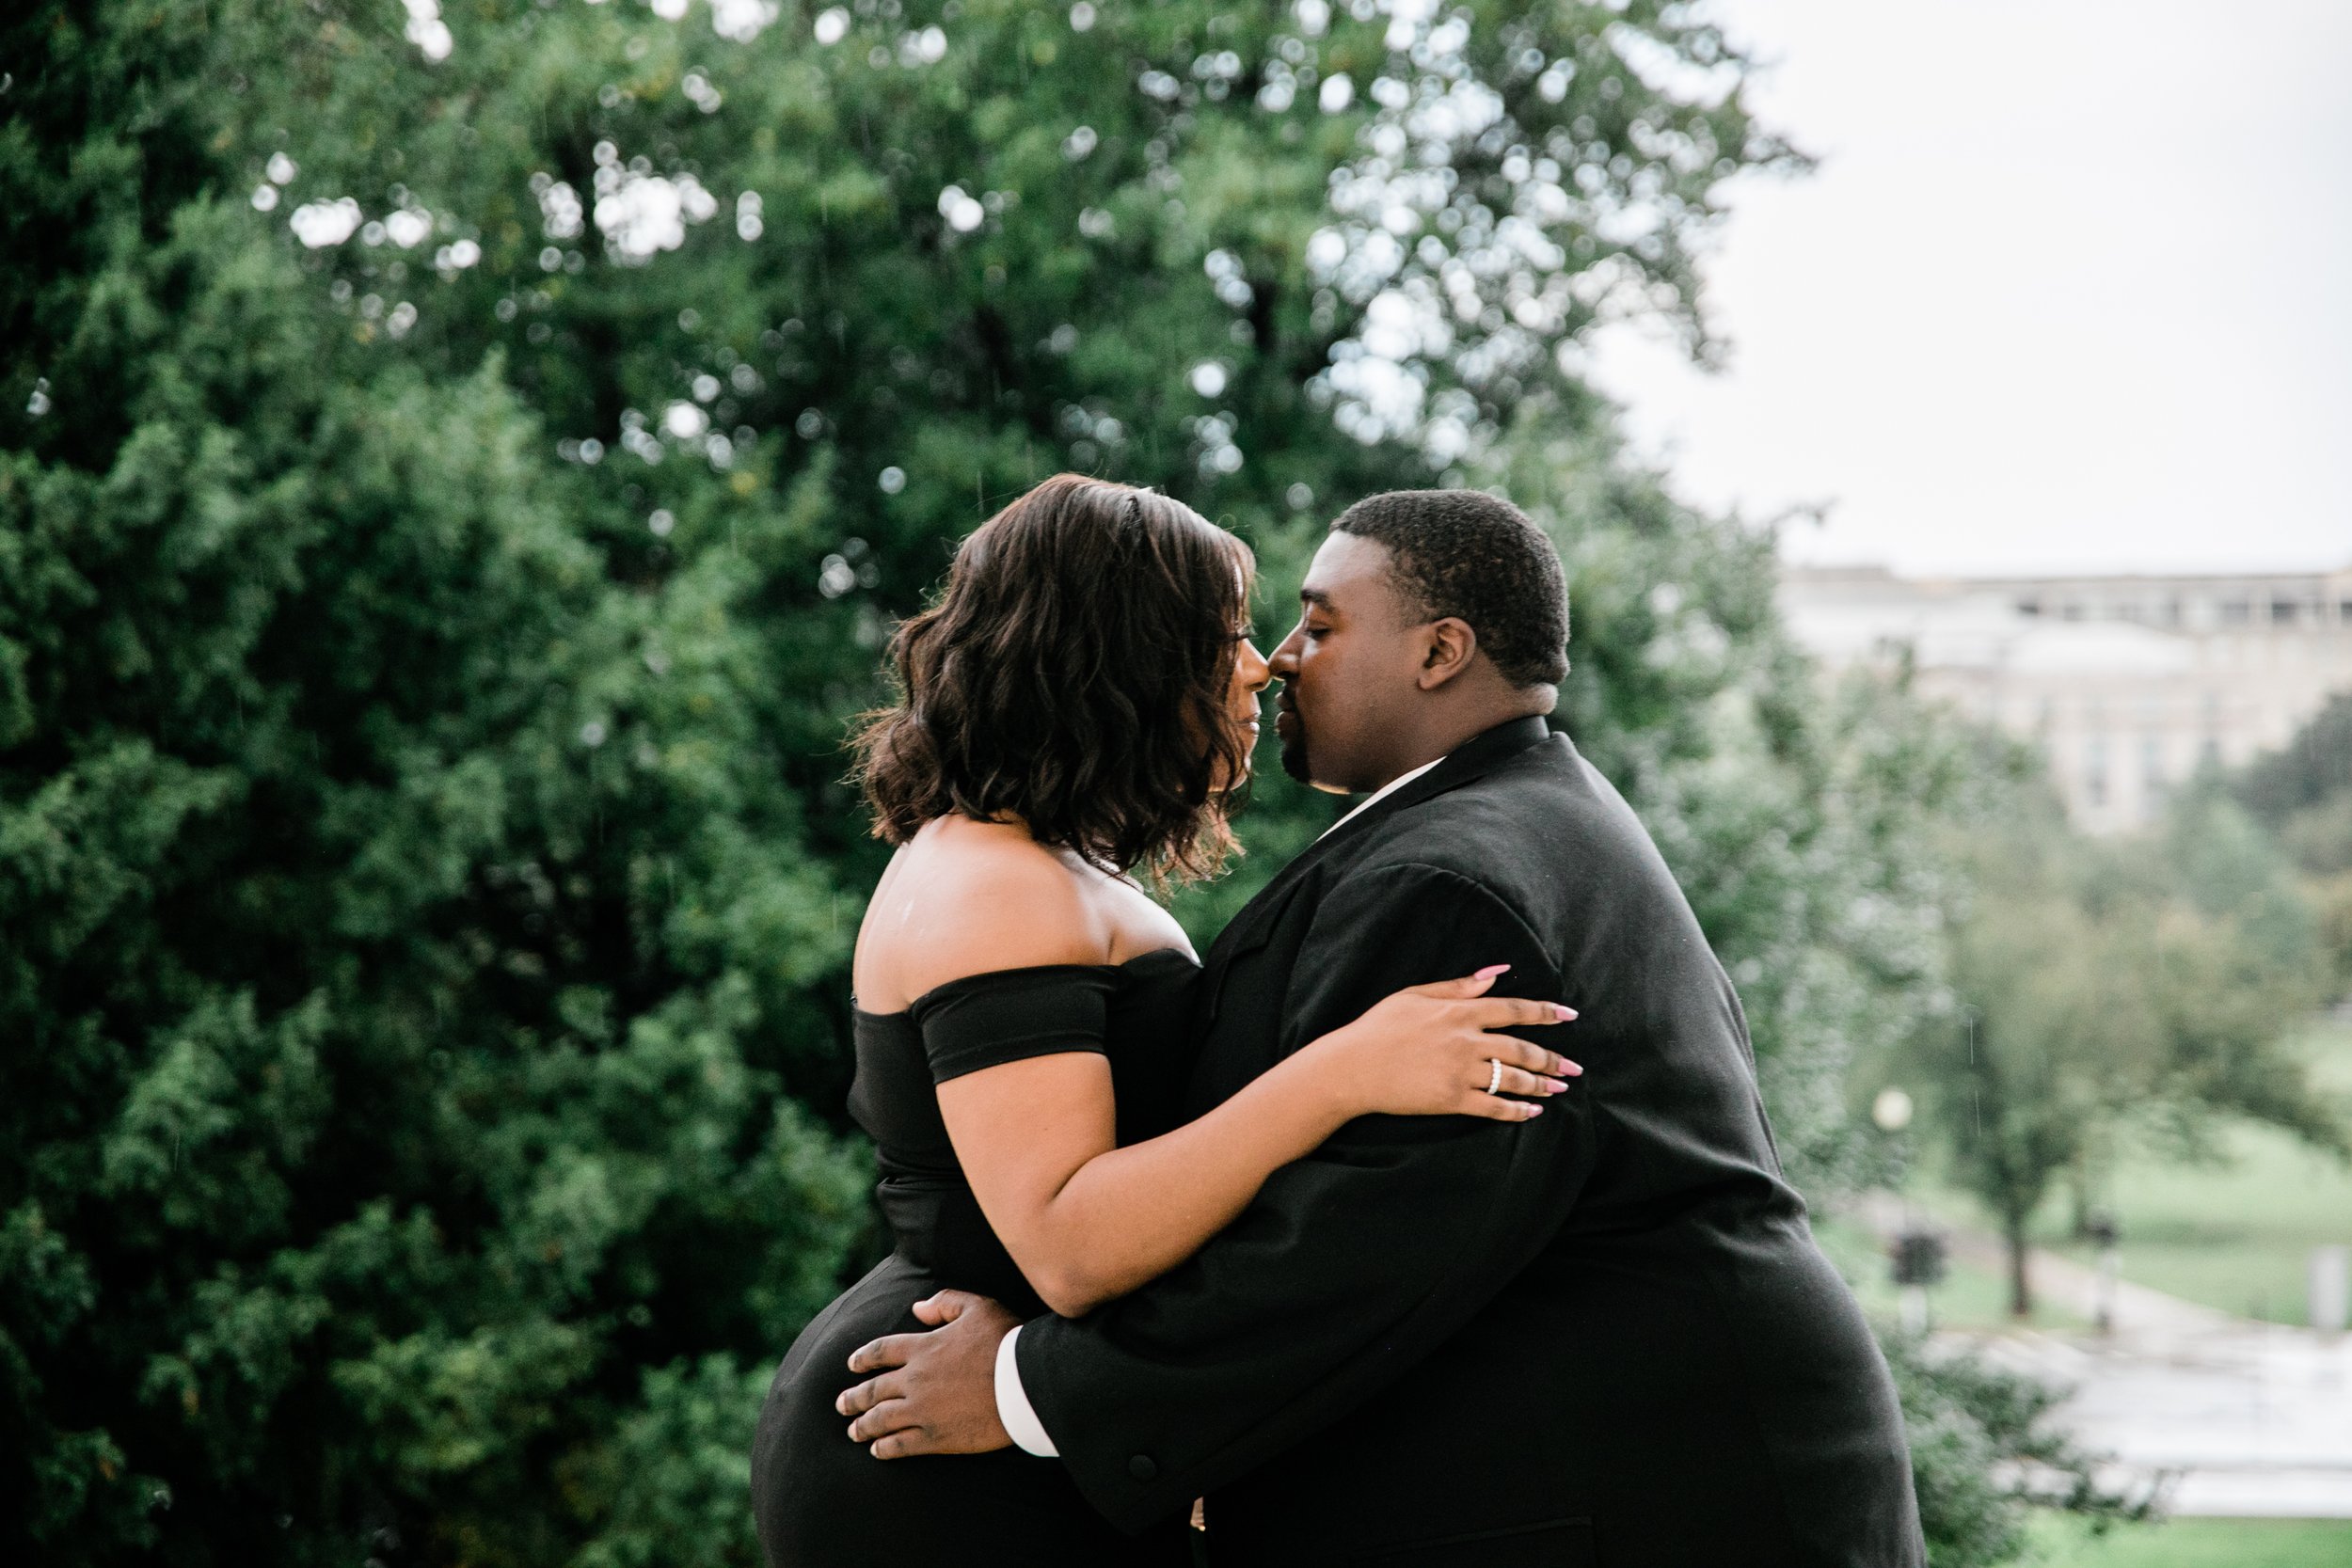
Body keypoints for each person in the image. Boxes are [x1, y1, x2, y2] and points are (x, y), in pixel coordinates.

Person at [834, 489, 1927, 1567]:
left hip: (1641, 1500)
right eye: (1264, 629)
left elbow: (1352, 1246)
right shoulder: (1497, 827)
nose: (1277, 658)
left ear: (1439, 652)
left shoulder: (1455, 881)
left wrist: (1032, 1387)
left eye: (1319, 621)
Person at [749, 475, 1582, 1568]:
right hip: (938, 1452)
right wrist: (1344, 1070)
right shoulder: (998, 882)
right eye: (1225, 633)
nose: (1261, 662)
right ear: (1119, 653)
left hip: (1002, 1436)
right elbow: (1069, 1241)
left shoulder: (1036, 861)